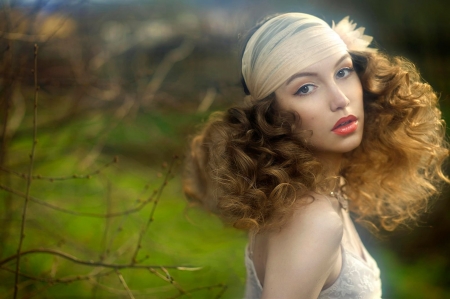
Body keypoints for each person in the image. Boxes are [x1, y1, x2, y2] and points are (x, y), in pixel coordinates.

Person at [183, 12, 448, 299]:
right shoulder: (314, 221)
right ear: (272, 115)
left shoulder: (314, 194)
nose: (340, 99)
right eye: (306, 88)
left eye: (342, 72)